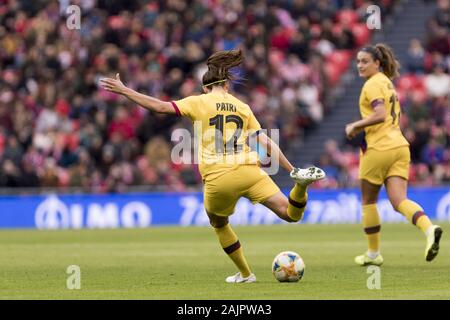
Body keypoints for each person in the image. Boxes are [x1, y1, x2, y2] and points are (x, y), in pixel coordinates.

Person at [100, 49, 326, 282]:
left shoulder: (198, 101)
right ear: (226, 86)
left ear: (206, 87)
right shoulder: (242, 107)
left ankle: (246, 274)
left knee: (219, 223)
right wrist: (292, 170)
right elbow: (265, 141)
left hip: (219, 176)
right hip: (250, 170)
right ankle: (300, 186)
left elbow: (159, 107)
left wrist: (125, 91)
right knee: (290, 214)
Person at [345, 44, 443, 266]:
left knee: (368, 201)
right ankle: (429, 229)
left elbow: (379, 115)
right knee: (399, 201)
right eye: (358, 61)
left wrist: (355, 126)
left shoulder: (371, 85)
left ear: (377, 63)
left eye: (365, 61)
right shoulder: (387, 82)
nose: (360, 65)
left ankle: (373, 254)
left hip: (378, 148)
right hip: (400, 146)